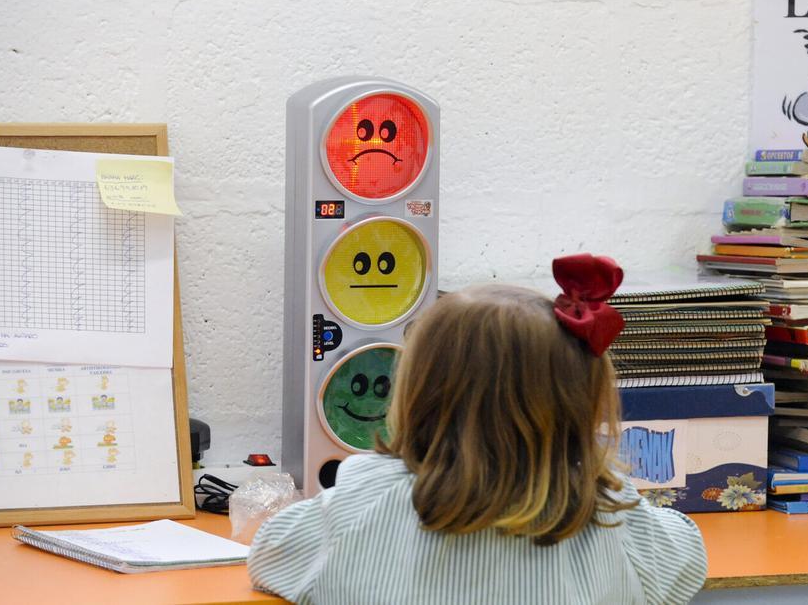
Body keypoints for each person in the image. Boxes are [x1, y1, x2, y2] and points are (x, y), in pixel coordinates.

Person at [248, 254, 708, 604]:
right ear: (581, 402)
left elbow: (269, 554)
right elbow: (688, 561)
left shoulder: (362, 497)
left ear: (418, 392)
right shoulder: (608, 510)